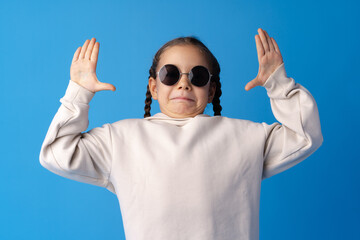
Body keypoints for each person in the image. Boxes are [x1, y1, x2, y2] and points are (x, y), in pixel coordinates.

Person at [39, 28, 323, 240]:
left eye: (197, 76)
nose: (183, 84)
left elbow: (305, 135)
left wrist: (278, 83)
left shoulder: (246, 137)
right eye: (170, 74)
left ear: (211, 91)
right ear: (154, 87)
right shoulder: (121, 139)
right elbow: (57, 153)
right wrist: (79, 92)